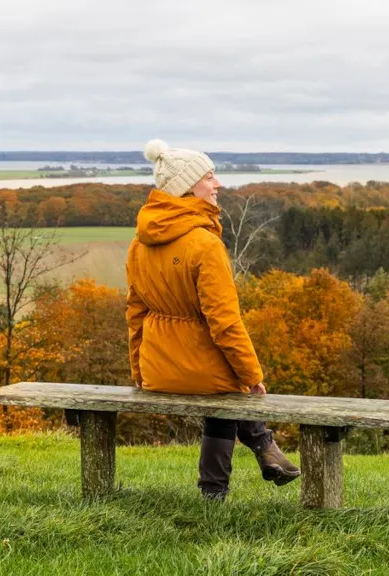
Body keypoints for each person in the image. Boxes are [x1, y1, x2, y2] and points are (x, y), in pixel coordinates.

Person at [125, 138, 300, 500]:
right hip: (203, 372)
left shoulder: (138, 244)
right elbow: (224, 322)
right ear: (188, 188)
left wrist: (139, 371)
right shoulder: (204, 244)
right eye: (209, 177)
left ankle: (252, 462)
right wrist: (252, 377)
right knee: (230, 383)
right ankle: (232, 474)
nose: (217, 184)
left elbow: (135, 313)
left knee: (222, 381)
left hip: (158, 370)